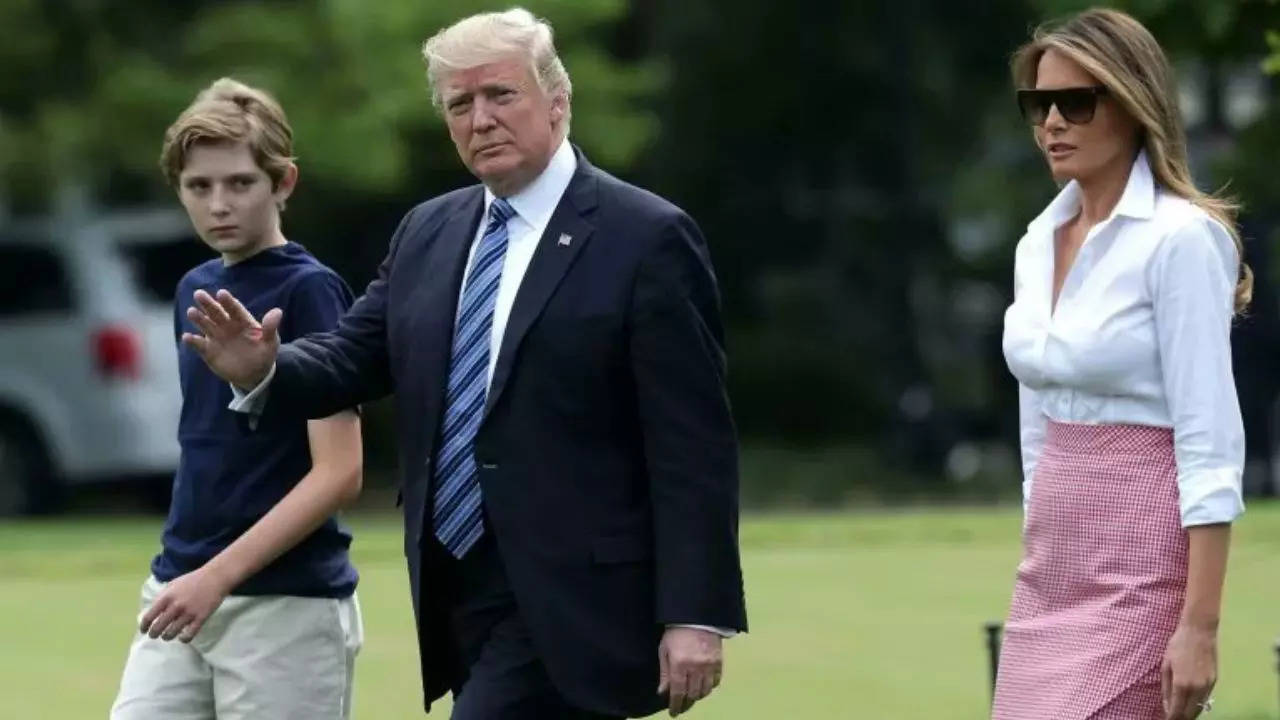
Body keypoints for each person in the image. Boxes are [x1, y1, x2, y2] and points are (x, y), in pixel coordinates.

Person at [181, 9, 747, 719]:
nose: (481, 119)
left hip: (580, 596)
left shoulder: (646, 238)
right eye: (460, 104)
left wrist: (696, 613)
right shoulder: (431, 230)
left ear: (558, 102)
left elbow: (692, 444)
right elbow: (354, 357)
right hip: (456, 591)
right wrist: (263, 369)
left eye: (500, 95)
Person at [995, 8, 1248, 720]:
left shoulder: (1182, 240)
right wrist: (1036, 541)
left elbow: (1210, 441)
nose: (1052, 122)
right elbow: (1036, 426)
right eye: (1037, 105)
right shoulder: (1034, 244)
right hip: (1051, 566)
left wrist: (1199, 627)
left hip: (1144, 559)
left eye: (1076, 102)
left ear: (1134, 104)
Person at [110, 78, 365, 720]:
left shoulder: (310, 291)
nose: (218, 204)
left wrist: (218, 577)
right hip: (177, 585)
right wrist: (191, 576)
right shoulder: (194, 288)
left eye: (240, 183)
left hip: (285, 607)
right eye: (199, 187)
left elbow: (340, 472)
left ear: (283, 184)